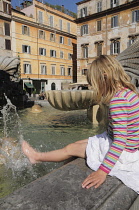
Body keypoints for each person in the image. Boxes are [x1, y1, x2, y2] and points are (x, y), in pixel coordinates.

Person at [22, 55, 139, 193]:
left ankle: (37, 157)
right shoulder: (129, 93)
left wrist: (102, 171)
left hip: (123, 152)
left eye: (94, 83)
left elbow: (120, 141)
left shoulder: (118, 101)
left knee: (71, 149)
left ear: (105, 78)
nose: (93, 88)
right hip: (127, 145)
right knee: (78, 144)